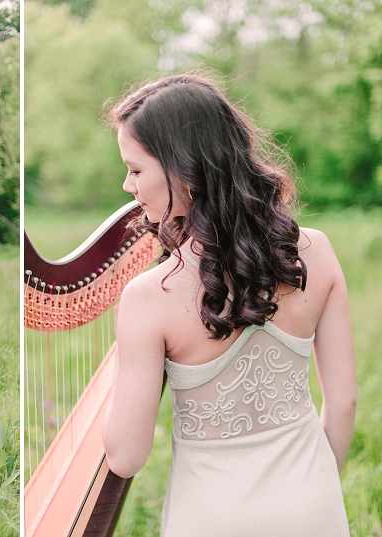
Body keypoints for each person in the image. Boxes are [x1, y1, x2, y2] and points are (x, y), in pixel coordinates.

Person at [101, 74, 356, 536]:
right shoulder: (317, 251)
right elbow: (343, 402)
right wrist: (315, 487)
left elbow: (125, 456)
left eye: (135, 169)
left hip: (212, 518)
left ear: (184, 170)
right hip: (313, 506)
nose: (126, 184)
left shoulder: (148, 297)